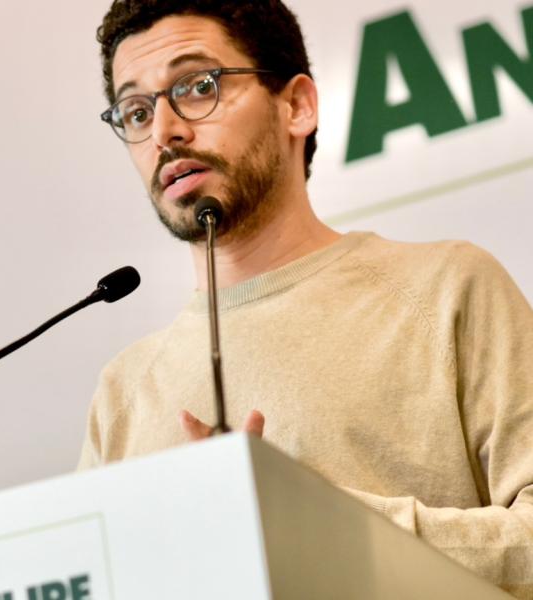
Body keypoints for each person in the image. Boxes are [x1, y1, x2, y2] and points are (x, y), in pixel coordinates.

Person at [76, 1, 533, 597]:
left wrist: (316, 521)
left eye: (197, 86)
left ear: (296, 106)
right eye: (136, 111)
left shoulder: (448, 288)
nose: (165, 132)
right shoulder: (122, 392)